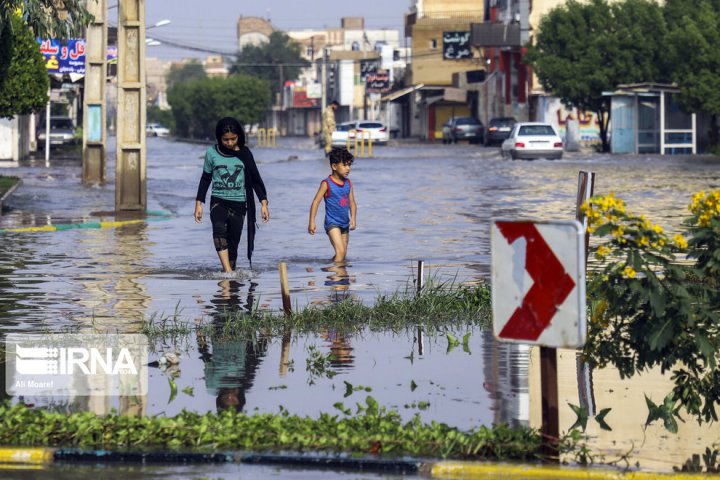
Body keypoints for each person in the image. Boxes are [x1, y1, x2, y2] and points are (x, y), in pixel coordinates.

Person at [195, 117, 270, 272]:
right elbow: (205, 178)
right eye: (225, 140)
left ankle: (230, 278)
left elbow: (256, 179)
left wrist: (263, 203)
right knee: (218, 230)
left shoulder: (245, 153)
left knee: (233, 245)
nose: (229, 143)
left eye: (232, 139)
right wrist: (198, 203)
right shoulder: (211, 152)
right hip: (218, 200)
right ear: (219, 137)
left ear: (239, 136)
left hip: (239, 204)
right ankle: (228, 272)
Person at [308, 147, 357, 263]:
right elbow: (316, 202)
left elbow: (352, 202)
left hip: (345, 223)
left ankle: (331, 272)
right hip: (332, 223)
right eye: (345, 165)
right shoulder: (326, 183)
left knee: (342, 255)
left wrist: (353, 218)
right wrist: (312, 221)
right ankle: (336, 278)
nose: (348, 168)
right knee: (340, 253)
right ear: (334, 166)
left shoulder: (348, 183)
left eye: (349, 165)